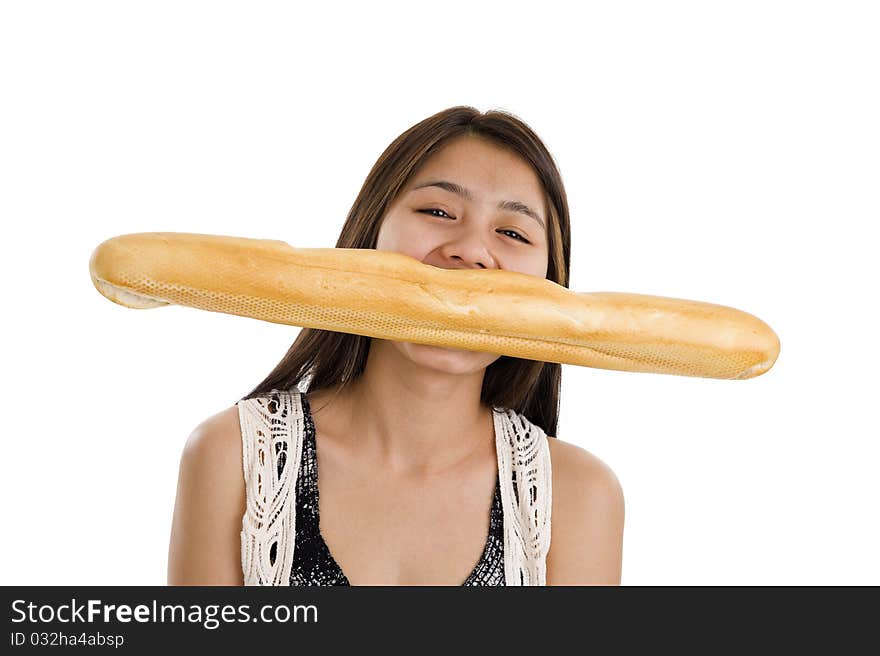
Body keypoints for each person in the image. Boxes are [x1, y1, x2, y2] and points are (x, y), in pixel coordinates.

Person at [167, 106, 625, 586]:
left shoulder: (580, 497)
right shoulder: (233, 457)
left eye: (512, 233)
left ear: (549, 287)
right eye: (437, 211)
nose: (470, 250)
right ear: (370, 237)